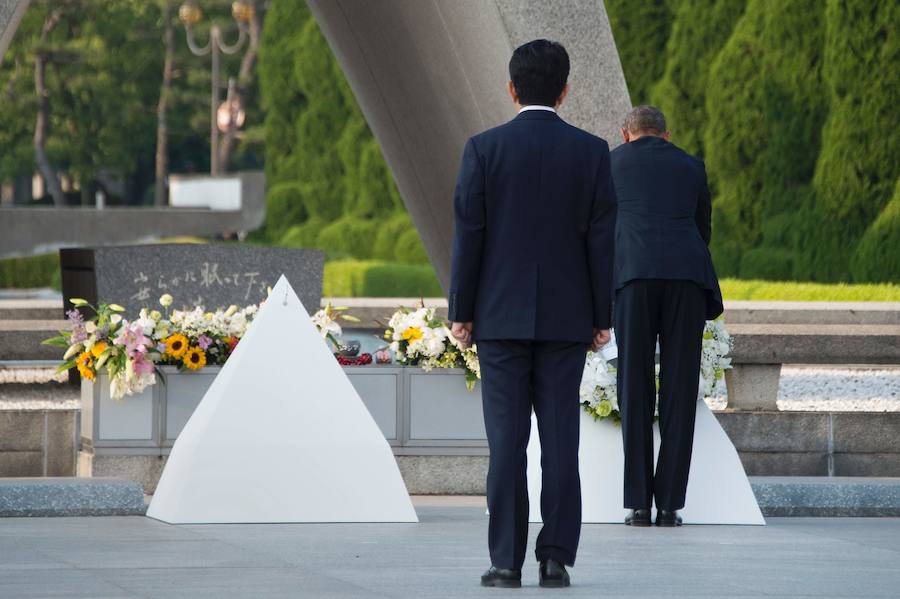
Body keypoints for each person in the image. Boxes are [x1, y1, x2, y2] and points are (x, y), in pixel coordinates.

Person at [448, 39, 616, 588]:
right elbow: (601, 242)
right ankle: (556, 557)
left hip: (498, 320)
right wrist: (600, 315)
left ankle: (504, 560)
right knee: (561, 440)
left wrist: (462, 311)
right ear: (565, 91)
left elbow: (469, 237)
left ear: (511, 88)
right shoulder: (591, 153)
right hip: (568, 321)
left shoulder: (483, 149)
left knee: (506, 442)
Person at [610, 105, 723, 528]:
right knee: (679, 385)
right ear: (666, 134)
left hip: (633, 276)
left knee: (634, 384)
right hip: (686, 278)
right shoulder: (691, 166)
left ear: (626, 133)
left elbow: (600, 227)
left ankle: (638, 503)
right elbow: (702, 226)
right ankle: (670, 504)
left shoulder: (610, 163)